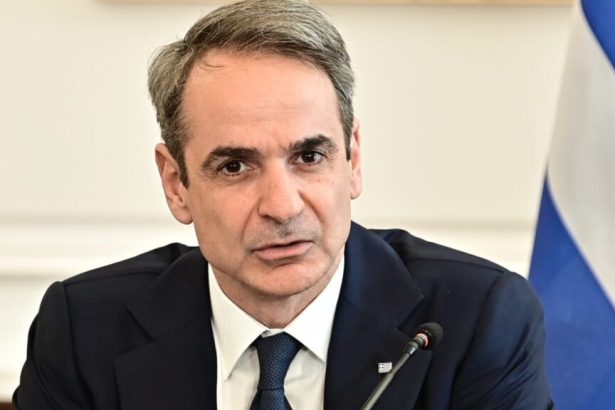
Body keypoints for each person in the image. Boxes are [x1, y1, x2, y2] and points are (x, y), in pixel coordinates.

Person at [13, 0, 552, 408]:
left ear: (353, 160)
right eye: (235, 166)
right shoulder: (85, 330)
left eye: (310, 157)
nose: (282, 205)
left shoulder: (475, 319)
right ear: (177, 183)